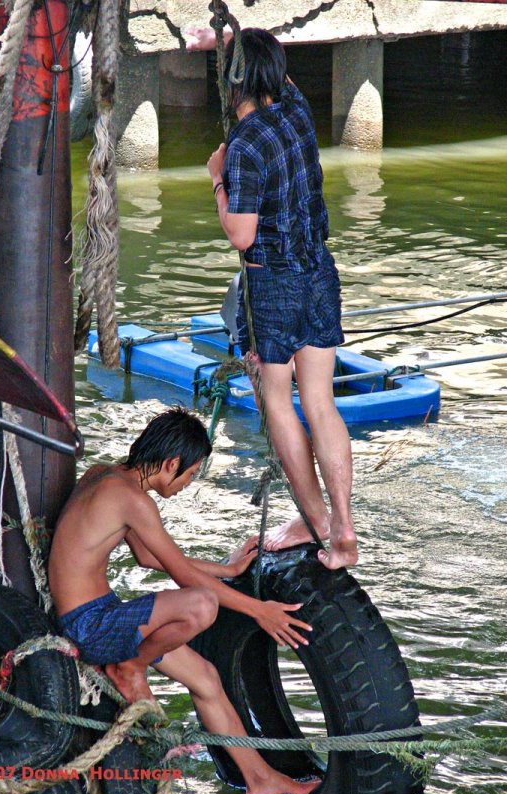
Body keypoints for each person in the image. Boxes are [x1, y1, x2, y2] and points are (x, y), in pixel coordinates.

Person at [48, 407, 320, 794]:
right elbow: (183, 578)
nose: (187, 483)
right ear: (172, 462)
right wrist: (260, 610)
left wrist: (227, 571)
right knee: (202, 605)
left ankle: (259, 780)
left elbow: (149, 557)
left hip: (100, 615)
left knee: (206, 678)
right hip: (91, 626)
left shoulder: (105, 477)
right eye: (190, 474)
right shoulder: (133, 501)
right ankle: (130, 666)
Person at [202, 27, 358, 569]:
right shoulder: (296, 108)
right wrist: (229, 38)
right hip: (319, 271)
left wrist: (218, 179)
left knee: (276, 399)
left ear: (233, 81)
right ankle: (345, 529)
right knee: (321, 402)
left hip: (274, 283)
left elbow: (242, 233)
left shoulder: (243, 147)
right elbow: (278, 74)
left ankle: (316, 523)